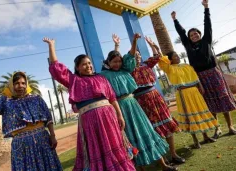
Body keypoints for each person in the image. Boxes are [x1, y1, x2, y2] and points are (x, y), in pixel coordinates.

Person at [43, 38, 135, 171]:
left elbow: (112, 98)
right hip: (89, 122)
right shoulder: (74, 80)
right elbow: (56, 69)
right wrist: (51, 46)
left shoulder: (101, 78)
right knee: (97, 148)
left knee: (113, 145)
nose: (88, 66)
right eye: (84, 64)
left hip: (108, 118)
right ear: (77, 68)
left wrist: (119, 116)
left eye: (90, 63)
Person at [101, 34, 178, 171]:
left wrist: (135, 41)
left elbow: (130, 55)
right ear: (108, 62)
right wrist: (117, 46)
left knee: (146, 129)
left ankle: (164, 165)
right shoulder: (104, 75)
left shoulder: (126, 69)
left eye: (119, 61)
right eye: (114, 62)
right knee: (130, 136)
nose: (117, 64)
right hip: (120, 108)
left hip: (133, 104)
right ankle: (140, 169)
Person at [171, 0, 236, 139]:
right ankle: (217, 128)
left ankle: (230, 126)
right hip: (200, 77)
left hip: (214, 73)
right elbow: (182, 33)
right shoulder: (187, 46)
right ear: (189, 38)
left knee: (223, 98)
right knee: (209, 102)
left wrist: (206, 8)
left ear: (200, 35)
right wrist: (175, 20)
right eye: (192, 35)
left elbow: (208, 25)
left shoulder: (206, 41)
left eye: (196, 34)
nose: (194, 36)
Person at [0, 72, 62, 171]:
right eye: (16, 83)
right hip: (21, 146)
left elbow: (48, 118)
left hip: (42, 140)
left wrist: (52, 136)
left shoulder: (36, 99)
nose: (20, 86)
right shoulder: (6, 103)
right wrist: (5, 95)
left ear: (27, 84)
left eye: (23, 83)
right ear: (11, 85)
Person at [158, 48, 219, 149]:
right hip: (183, 94)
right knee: (189, 115)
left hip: (194, 92)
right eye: (175, 56)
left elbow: (195, 77)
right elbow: (162, 60)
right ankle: (195, 140)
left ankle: (205, 136)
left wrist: (201, 86)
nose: (177, 57)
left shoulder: (187, 66)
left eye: (177, 55)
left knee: (200, 113)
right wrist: (155, 48)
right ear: (170, 60)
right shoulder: (169, 68)